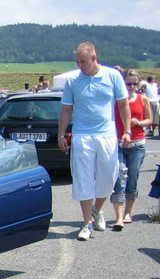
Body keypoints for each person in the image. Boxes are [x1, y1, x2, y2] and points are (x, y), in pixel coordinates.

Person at [58, 42, 131, 241]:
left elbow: (123, 105)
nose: (80, 66)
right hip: (82, 135)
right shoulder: (73, 81)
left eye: (83, 62)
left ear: (94, 58)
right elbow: (66, 109)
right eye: (78, 62)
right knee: (83, 179)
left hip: (107, 135)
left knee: (108, 178)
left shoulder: (113, 76)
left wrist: (127, 130)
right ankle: (86, 223)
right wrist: (61, 134)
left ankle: (96, 210)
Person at [110, 70, 152, 230]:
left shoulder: (143, 99)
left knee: (133, 178)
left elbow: (150, 119)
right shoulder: (117, 100)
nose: (132, 87)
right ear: (123, 83)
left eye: (135, 83)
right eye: (128, 84)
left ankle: (128, 212)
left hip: (137, 144)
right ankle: (119, 217)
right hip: (118, 143)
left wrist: (139, 123)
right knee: (119, 178)